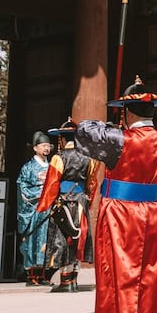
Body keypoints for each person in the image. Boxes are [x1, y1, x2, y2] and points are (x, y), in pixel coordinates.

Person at [74, 78, 157, 313]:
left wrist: (110, 124)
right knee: (149, 274)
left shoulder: (119, 139)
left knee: (120, 275)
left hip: (120, 213)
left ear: (128, 113)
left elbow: (83, 131)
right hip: (151, 212)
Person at [37, 118, 96, 293]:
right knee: (77, 238)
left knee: (61, 240)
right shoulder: (89, 157)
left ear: (62, 139)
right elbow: (92, 183)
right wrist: (88, 201)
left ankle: (65, 281)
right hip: (80, 201)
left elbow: (52, 183)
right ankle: (74, 280)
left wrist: (45, 205)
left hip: (63, 201)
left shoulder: (58, 157)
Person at [17, 131, 52, 286]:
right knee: (32, 240)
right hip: (34, 209)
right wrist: (41, 193)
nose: (47, 148)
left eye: (48, 145)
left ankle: (44, 274)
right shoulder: (28, 167)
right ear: (35, 148)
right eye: (43, 145)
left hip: (49, 207)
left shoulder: (52, 166)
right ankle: (31, 275)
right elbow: (22, 187)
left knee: (48, 240)